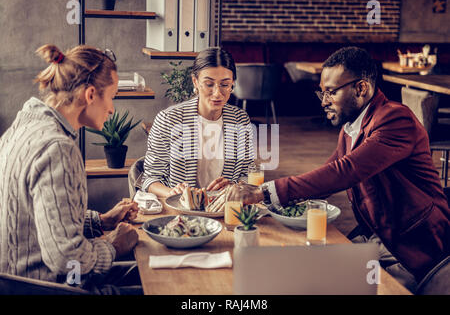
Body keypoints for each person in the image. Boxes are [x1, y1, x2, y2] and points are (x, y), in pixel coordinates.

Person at [235, 47, 450, 293]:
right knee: (293, 271)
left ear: (361, 88)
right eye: (322, 92)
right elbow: (329, 172)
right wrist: (269, 205)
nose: (324, 101)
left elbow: (344, 171)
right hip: (379, 239)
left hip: (414, 253)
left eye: (331, 92)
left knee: (317, 284)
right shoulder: (352, 126)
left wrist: (265, 191)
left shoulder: (395, 120)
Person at [0, 44, 141, 294]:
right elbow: (67, 258)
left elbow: (38, 216)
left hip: (17, 282)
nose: (111, 109)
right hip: (52, 287)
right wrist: (114, 246)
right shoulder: (57, 148)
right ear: (90, 95)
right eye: (112, 96)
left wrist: (100, 221)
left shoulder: (23, 128)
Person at [141, 47, 254, 197]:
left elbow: (247, 174)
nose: (217, 93)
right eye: (209, 84)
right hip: (180, 211)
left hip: (224, 210)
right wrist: (172, 193)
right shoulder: (168, 120)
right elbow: (150, 179)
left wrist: (236, 187)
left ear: (232, 83)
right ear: (195, 81)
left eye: (225, 85)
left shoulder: (241, 120)